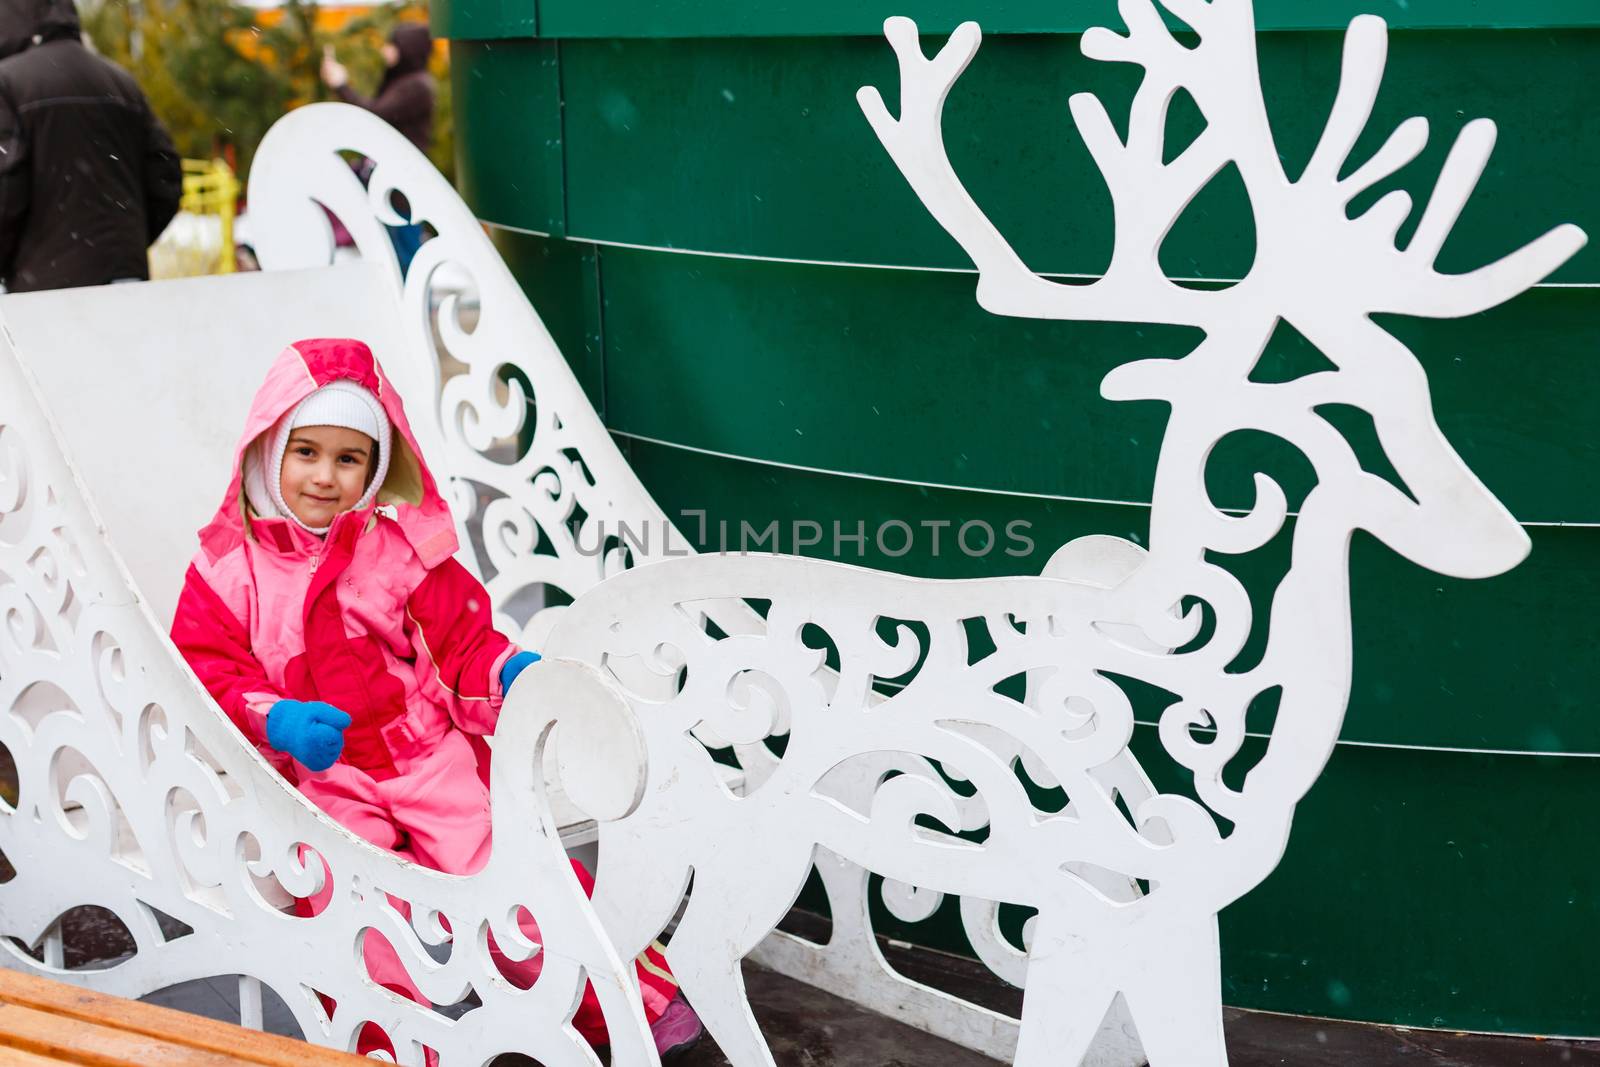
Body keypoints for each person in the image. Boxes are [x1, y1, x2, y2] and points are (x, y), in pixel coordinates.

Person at [171, 337, 703, 1060]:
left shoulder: (397, 550)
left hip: (423, 752)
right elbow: (207, 667)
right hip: (326, 777)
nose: (325, 476)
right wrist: (279, 719)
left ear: (376, 466)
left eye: (349, 457)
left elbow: (462, 642)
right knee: (346, 899)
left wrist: (506, 672)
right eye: (307, 452)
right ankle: (388, 1043)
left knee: (507, 872)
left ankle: (627, 1005)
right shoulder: (229, 567)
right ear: (270, 449)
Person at [0, 0, 182, 292]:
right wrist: (125, 241)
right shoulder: (123, 83)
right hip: (127, 284)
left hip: (46, 292)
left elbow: (6, 189)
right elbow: (166, 177)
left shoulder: (9, 82)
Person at [321, 23, 433, 272]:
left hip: (402, 190)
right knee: (396, 257)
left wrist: (342, 85)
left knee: (406, 259)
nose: (386, 51)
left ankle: (410, 310)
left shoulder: (416, 86)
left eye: (392, 45)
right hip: (394, 188)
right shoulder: (404, 83)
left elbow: (375, 116)